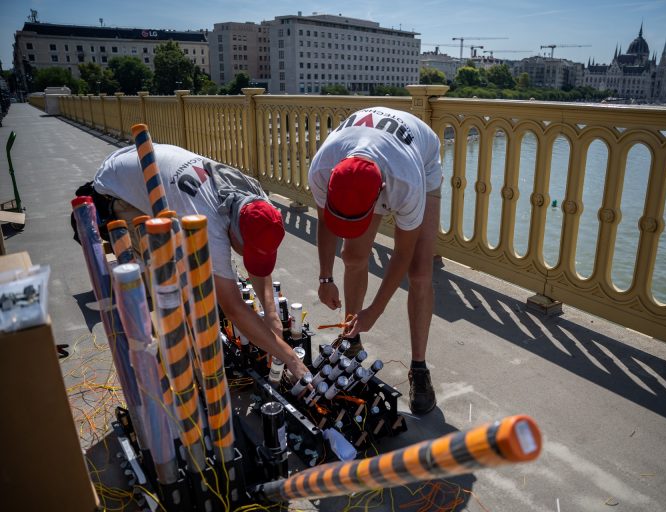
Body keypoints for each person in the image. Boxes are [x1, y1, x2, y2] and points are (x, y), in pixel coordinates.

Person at [91, 144, 309, 379]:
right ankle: (173, 366)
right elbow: (234, 308)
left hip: (146, 161)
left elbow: (257, 259)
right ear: (233, 233)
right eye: (248, 252)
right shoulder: (208, 221)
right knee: (168, 277)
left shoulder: (257, 199)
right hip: (114, 187)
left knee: (206, 273)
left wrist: (271, 314)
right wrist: (291, 359)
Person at [308, 106, 443, 414]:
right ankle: (351, 339)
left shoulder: (407, 183)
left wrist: (375, 311)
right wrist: (325, 277)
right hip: (373, 158)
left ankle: (419, 368)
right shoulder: (322, 168)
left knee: (420, 271)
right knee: (353, 254)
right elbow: (326, 222)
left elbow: (402, 253)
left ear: (381, 196)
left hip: (419, 157)